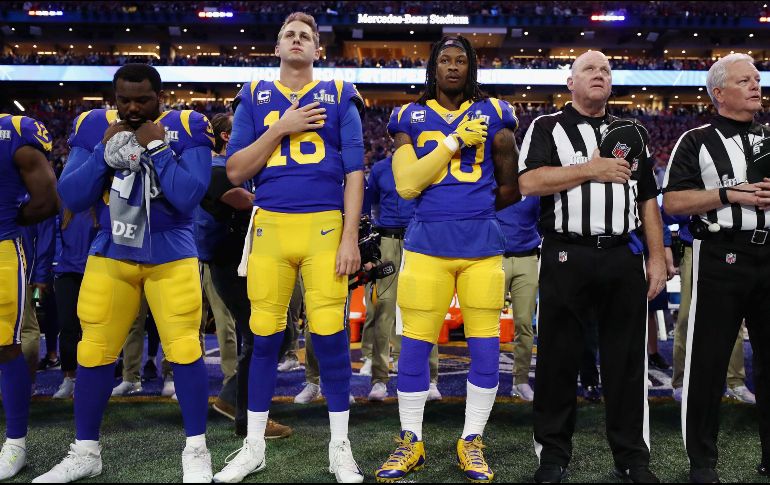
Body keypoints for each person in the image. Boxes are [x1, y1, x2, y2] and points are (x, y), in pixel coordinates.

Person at [35, 63, 215, 483]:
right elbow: (73, 196)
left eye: (142, 100)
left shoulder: (188, 125)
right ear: (113, 99)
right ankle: (86, 452)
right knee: (94, 350)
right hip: (112, 251)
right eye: (124, 100)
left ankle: (196, 450)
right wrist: (103, 150)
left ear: (161, 97)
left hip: (171, 253)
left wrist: (157, 149)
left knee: (185, 350)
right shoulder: (93, 123)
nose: (132, 108)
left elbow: (189, 197)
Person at [214, 13, 365, 483]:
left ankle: (340, 447)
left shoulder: (340, 93)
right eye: (289, 35)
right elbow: (236, 170)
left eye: (306, 36)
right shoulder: (255, 95)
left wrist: (350, 237)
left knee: (331, 339)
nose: (297, 40)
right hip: (271, 227)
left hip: (324, 226)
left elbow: (356, 173)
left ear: (317, 50)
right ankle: (253, 446)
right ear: (277, 47)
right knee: (263, 338)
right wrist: (282, 127)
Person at [375, 35, 520, 483]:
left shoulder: (497, 112)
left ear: (471, 67)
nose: (453, 67)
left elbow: (510, 187)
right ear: (433, 68)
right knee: (415, 347)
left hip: (480, 248)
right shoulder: (408, 115)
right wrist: (454, 141)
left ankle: (471, 440)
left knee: (485, 348)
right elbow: (405, 185)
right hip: (425, 248)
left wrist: (468, 212)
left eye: (461, 60)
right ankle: (410, 440)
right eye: (445, 60)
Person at [518, 50, 666, 483]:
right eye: (589, 69)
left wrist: (657, 256)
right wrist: (590, 169)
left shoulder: (633, 131)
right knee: (559, 358)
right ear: (570, 81)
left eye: (605, 70)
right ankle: (553, 455)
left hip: (623, 253)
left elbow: (647, 199)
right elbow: (528, 182)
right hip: (567, 252)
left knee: (626, 362)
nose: (599, 74)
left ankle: (633, 457)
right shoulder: (547, 127)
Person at [662, 53, 770, 484]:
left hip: (768, 255)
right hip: (720, 256)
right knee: (707, 365)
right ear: (719, 93)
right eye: (745, 81)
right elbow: (672, 202)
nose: (756, 86)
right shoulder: (696, 140)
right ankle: (702, 462)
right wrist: (730, 195)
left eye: (757, 80)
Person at [200, 112, 292, 439]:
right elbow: (243, 200)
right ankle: (248, 418)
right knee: (260, 334)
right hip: (228, 260)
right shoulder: (216, 167)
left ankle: (231, 400)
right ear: (227, 136)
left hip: (247, 259)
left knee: (280, 332)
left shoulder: (238, 166)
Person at [0, 112, 58, 480]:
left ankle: (15, 442)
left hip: (2, 246)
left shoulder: (13, 133)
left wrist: (8, 220)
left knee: (6, 345)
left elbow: (47, 201)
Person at [363, 156, 440, 402]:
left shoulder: (428, 162)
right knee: (383, 309)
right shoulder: (380, 168)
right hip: (387, 241)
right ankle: (379, 379)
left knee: (426, 308)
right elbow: (371, 205)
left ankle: (431, 379)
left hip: (420, 239)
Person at [665, 211, 755, 404]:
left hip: (733, 242)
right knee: (688, 316)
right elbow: (670, 211)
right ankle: (681, 382)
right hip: (696, 243)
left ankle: (735, 382)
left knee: (734, 315)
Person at [52, 206, 100, 399]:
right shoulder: (65, 200)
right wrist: (55, 263)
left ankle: (93, 378)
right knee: (67, 326)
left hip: (96, 269)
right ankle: (69, 378)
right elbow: (55, 234)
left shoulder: (101, 198)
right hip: (67, 272)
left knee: (95, 328)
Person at [496, 195, 540, 402]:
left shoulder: (535, 183)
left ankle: (521, 380)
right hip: (496, 258)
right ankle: (484, 379)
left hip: (528, 257)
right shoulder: (495, 182)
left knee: (524, 323)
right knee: (487, 324)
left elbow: (546, 218)